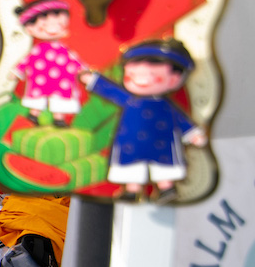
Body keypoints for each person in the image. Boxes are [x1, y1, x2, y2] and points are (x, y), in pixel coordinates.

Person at [80, 37, 206, 201]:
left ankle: (166, 188)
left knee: (164, 168)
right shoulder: (129, 100)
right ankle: (131, 191)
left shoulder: (166, 105)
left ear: (175, 79)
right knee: (131, 167)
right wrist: (92, 80)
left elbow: (181, 120)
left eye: (153, 75)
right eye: (132, 74)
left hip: (162, 142)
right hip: (131, 143)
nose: (141, 79)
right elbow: (111, 91)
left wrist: (192, 134)